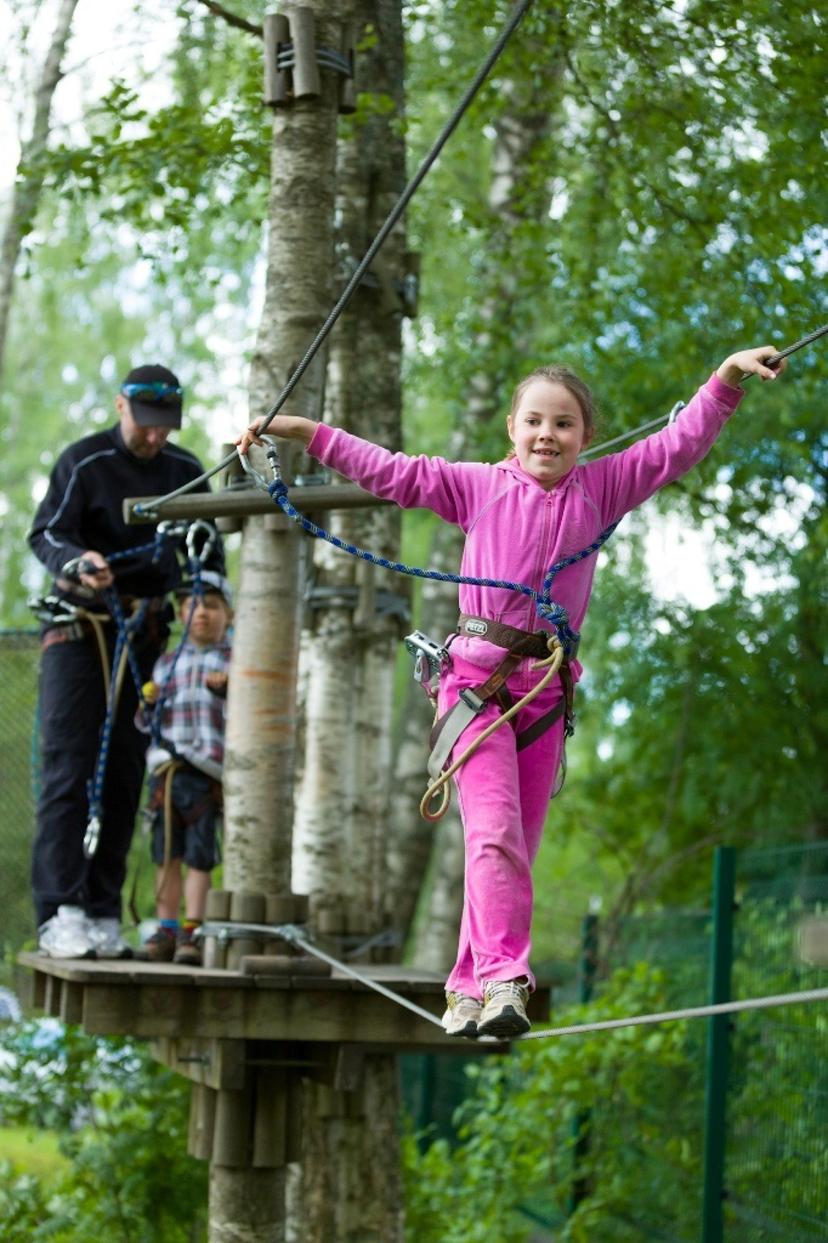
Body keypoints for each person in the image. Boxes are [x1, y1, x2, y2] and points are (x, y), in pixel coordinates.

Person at [238, 345, 785, 1039]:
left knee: (511, 849)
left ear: (585, 436)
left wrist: (726, 379)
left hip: (546, 695)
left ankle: (468, 989)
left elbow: (675, 447)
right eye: (534, 421)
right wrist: (304, 431)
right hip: (475, 687)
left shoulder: (603, 488)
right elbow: (390, 470)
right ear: (511, 428)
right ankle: (503, 978)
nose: (546, 435)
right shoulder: (477, 486)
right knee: (493, 834)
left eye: (563, 424)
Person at [29, 364, 223, 960]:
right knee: (70, 768)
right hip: (81, 631)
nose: (156, 436)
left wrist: (206, 608)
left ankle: (102, 911)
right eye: (146, 425)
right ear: (121, 408)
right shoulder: (83, 463)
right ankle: (59, 911)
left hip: (146, 637)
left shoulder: (186, 471)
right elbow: (46, 534)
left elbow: (207, 554)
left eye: (166, 426)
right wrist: (79, 561)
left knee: (125, 774)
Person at [137, 571, 233, 966]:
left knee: (198, 853)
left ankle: (192, 930)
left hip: (205, 771)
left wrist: (228, 689)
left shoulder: (235, 661)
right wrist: (149, 703)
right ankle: (167, 929)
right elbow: (146, 724)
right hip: (167, 771)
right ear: (181, 613)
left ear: (229, 614)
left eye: (211, 606)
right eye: (193, 605)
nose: (201, 613)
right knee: (165, 852)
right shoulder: (167, 664)